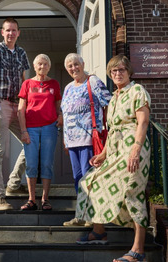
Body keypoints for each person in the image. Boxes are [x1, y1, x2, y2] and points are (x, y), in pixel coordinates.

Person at [74, 54, 151, 262]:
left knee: (132, 193)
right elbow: (112, 128)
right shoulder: (114, 97)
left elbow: (143, 122)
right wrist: (103, 154)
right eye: (114, 71)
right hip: (115, 150)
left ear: (129, 72)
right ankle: (99, 231)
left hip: (133, 149)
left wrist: (136, 149)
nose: (117, 74)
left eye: (121, 70)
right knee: (93, 181)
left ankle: (138, 250)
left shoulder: (137, 91)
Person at [0, 17, 31, 210]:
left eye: (14, 30)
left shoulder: (21, 53)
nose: (11, 33)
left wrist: (26, 105)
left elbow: (24, 80)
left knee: (32, 142)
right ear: (2, 32)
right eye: (7, 30)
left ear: (18, 33)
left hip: (18, 105)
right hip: (0, 104)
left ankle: (13, 184)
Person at [60, 53, 112, 226]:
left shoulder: (93, 81)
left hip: (89, 138)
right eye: (70, 66)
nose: (73, 68)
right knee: (78, 179)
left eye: (76, 64)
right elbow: (65, 115)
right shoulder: (67, 87)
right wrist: (65, 139)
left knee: (89, 178)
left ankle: (92, 216)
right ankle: (81, 215)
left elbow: (109, 102)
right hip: (72, 140)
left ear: (83, 64)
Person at [17, 54, 62, 211]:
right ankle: (31, 199)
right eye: (39, 64)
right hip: (31, 128)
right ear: (34, 67)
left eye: (45, 64)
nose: (42, 67)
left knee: (46, 163)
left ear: (49, 67)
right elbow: (20, 110)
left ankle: (45, 199)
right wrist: (23, 131)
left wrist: (61, 116)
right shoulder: (27, 84)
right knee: (31, 163)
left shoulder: (54, 84)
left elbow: (58, 107)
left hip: (49, 127)